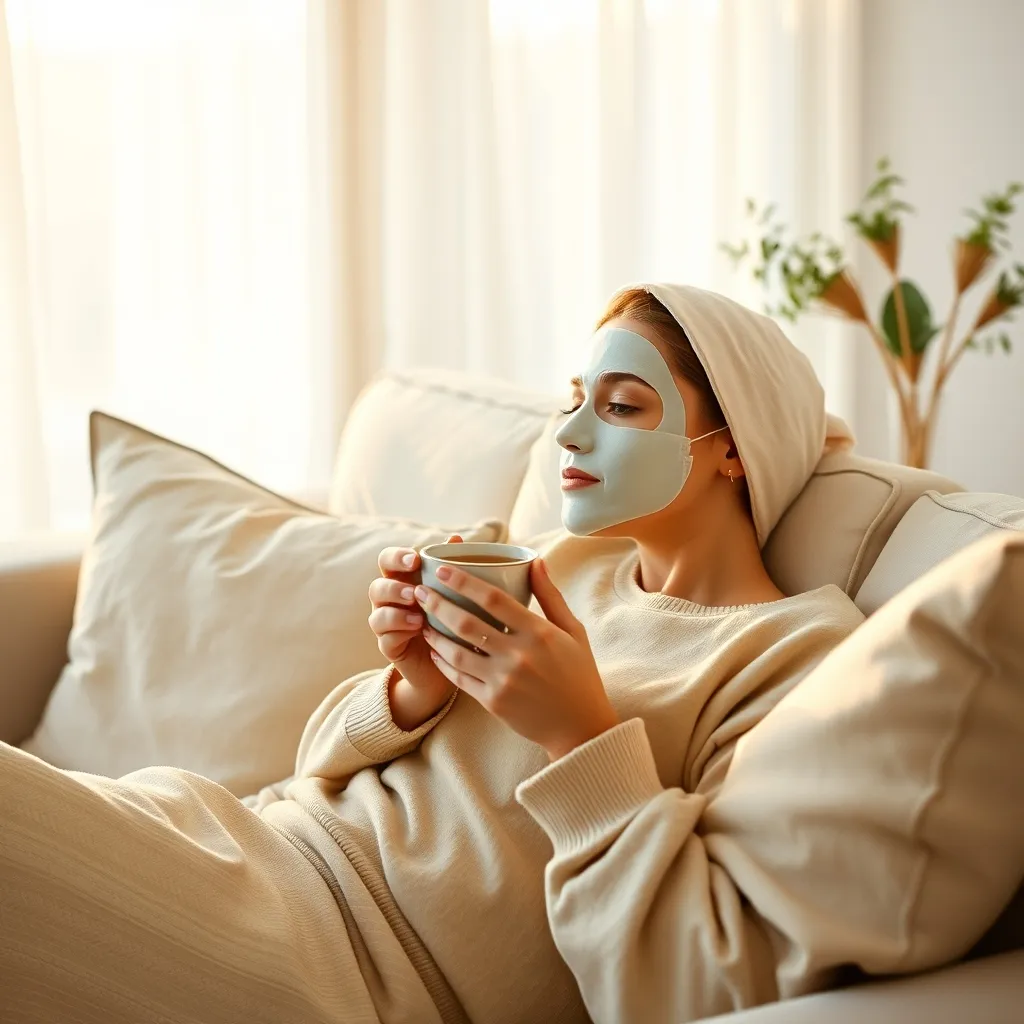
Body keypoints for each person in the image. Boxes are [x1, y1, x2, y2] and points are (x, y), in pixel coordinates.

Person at [1, 283, 865, 1024]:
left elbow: (695, 982)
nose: (567, 434)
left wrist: (581, 737)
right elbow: (315, 772)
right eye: (574, 399)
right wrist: (410, 690)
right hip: (249, 840)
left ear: (732, 450)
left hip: (343, 970)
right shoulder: (565, 564)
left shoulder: (796, 656)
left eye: (622, 406)